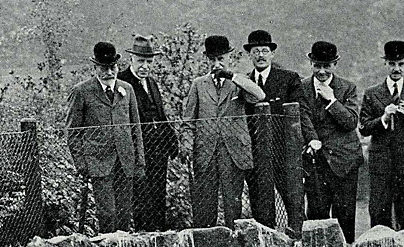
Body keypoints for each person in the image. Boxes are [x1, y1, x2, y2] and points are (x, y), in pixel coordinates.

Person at [183, 35, 265, 229]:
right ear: (206, 60)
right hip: (205, 153)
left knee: (232, 204)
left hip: (233, 153)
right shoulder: (198, 84)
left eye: (221, 58)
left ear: (229, 57)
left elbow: (259, 95)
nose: (216, 63)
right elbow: (188, 121)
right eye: (212, 59)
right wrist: (186, 145)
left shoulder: (239, 82)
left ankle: (233, 246)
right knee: (205, 206)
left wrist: (231, 76)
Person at [66, 41, 146, 233]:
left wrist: (139, 161)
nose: (109, 72)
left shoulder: (127, 89)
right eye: (104, 68)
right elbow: (73, 131)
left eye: (113, 67)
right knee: (107, 212)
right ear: (95, 68)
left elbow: (136, 128)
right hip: (99, 162)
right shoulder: (82, 92)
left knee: (125, 213)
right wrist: (82, 163)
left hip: (125, 161)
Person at [299, 41, 363, 243]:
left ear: (335, 64)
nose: (322, 71)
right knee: (317, 216)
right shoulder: (302, 88)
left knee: (344, 217)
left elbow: (351, 122)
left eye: (327, 66)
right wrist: (313, 139)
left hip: (345, 162)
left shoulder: (347, 88)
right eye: (317, 65)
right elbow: (303, 116)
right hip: (317, 162)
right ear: (310, 62)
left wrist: (332, 101)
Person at [241, 30, 303, 236]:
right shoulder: (244, 83)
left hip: (283, 152)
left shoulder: (289, 79)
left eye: (264, 51)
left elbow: (299, 114)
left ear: (272, 54)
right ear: (250, 55)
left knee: (292, 200)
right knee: (260, 205)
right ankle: (265, 245)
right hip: (256, 155)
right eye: (256, 51)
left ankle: (296, 240)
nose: (260, 55)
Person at [360, 41, 404, 230]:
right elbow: (364, 128)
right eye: (392, 64)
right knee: (379, 212)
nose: (396, 69)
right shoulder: (372, 93)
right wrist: (383, 117)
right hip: (381, 163)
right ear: (385, 64)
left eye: (400, 64)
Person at [117, 35, 179, 231]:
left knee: (159, 195)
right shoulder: (122, 83)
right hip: (139, 153)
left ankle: (159, 236)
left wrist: (171, 141)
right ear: (131, 60)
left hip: (159, 151)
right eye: (141, 61)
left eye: (149, 62)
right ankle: (145, 238)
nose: (145, 66)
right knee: (141, 198)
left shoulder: (151, 83)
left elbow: (160, 115)